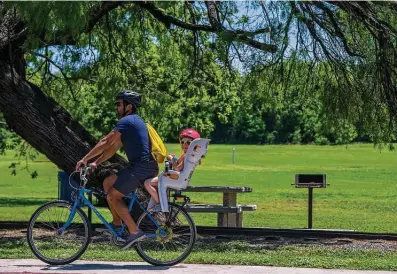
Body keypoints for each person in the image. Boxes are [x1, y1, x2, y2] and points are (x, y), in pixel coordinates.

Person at [75, 90, 159, 250]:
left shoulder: (127, 121)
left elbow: (106, 141)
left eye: (119, 104)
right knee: (109, 182)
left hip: (141, 167)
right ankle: (117, 224)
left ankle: (134, 231)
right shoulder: (132, 123)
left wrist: (85, 159)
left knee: (113, 196)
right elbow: (112, 148)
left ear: (129, 106)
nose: (116, 108)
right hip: (143, 167)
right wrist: (96, 162)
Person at [144, 128, 200, 212]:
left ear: (194, 145)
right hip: (177, 178)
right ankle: (154, 206)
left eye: (188, 143)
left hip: (176, 179)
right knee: (156, 186)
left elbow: (177, 168)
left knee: (147, 183)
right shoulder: (189, 155)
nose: (184, 144)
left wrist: (171, 159)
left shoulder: (187, 156)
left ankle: (160, 204)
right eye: (182, 142)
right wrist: (174, 159)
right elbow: (179, 166)